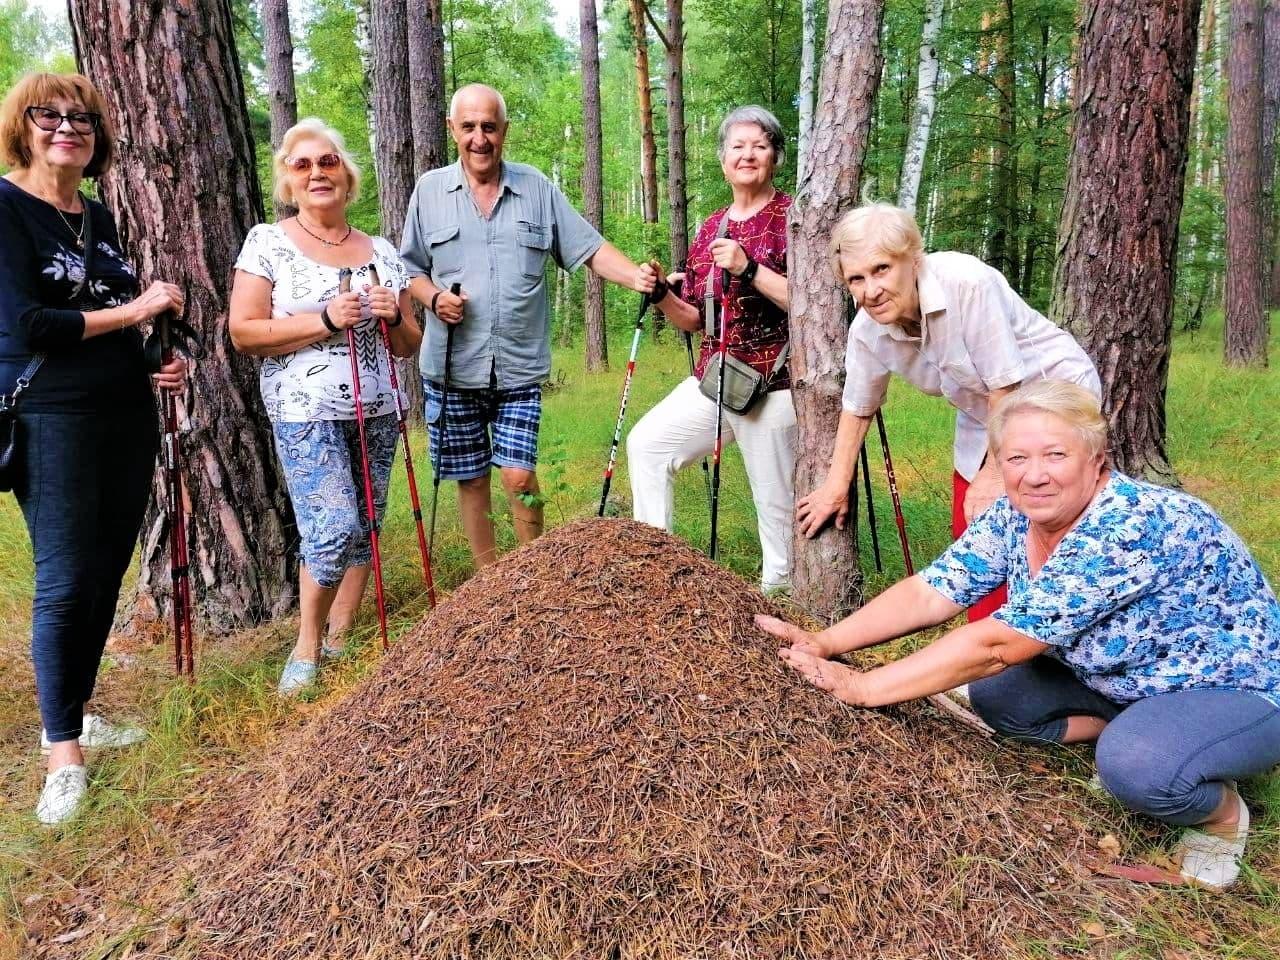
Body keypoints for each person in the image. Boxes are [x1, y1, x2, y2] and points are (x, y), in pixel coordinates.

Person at [762, 381, 1280, 891]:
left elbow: (997, 645)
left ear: (1096, 459)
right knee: (1001, 695)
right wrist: (825, 643)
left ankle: (1220, 814)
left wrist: (863, 687)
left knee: (1138, 767)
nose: (1034, 476)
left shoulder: (1132, 525)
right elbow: (930, 593)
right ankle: (1139, 732)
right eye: (1015, 459)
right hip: (1129, 679)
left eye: (1055, 455)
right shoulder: (1016, 517)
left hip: (1238, 689)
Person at [0, 73, 189, 825]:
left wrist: (152, 355)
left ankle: (79, 713)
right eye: (50, 115)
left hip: (123, 409)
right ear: (24, 125)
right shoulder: (6, 208)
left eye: (81, 118)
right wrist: (141, 309)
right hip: (51, 415)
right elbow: (29, 323)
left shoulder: (95, 213)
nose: (66, 127)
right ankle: (61, 755)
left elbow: (104, 309)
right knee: (65, 576)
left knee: (108, 567)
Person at [796, 203, 1100, 619]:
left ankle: (1052, 637)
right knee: (972, 534)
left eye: (882, 269)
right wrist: (835, 487)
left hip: (1055, 397)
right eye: (856, 279)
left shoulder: (965, 282)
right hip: (984, 412)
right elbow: (858, 408)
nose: (871, 290)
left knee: (1040, 517)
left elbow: (1005, 384)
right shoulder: (867, 332)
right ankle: (991, 651)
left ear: (913, 258)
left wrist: (995, 473)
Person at [399, 83, 658, 568]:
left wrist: (637, 278)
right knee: (471, 478)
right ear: (454, 129)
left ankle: (530, 578)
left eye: (490, 127)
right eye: (470, 127)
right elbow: (408, 268)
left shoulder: (536, 187)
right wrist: (433, 298)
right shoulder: (429, 191)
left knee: (518, 476)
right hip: (452, 367)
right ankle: (489, 581)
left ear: (504, 132)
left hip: (518, 368)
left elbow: (589, 248)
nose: (480, 138)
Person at [229, 118, 422, 696]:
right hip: (304, 407)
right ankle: (307, 644)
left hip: (379, 406)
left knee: (365, 523)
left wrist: (394, 316)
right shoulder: (268, 241)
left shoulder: (383, 251)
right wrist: (325, 320)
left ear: (347, 175)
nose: (317, 172)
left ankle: (341, 635)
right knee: (332, 527)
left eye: (328, 161)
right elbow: (242, 331)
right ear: (289, 181)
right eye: (303, 164)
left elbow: (410, 344)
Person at [626, 106, 795, 591]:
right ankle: (656, 574)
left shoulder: (793, 217)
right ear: (723, 161)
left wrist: (748, 269)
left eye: (759, 145)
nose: (747, 155)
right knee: (649, 444)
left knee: (774, 500)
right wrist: (661, 294)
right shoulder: (712, 227)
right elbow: (695, 318)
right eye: (737, 147)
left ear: (775, 158)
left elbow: (811, 303)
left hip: (774, 383)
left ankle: (781, 599)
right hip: (716, 378)